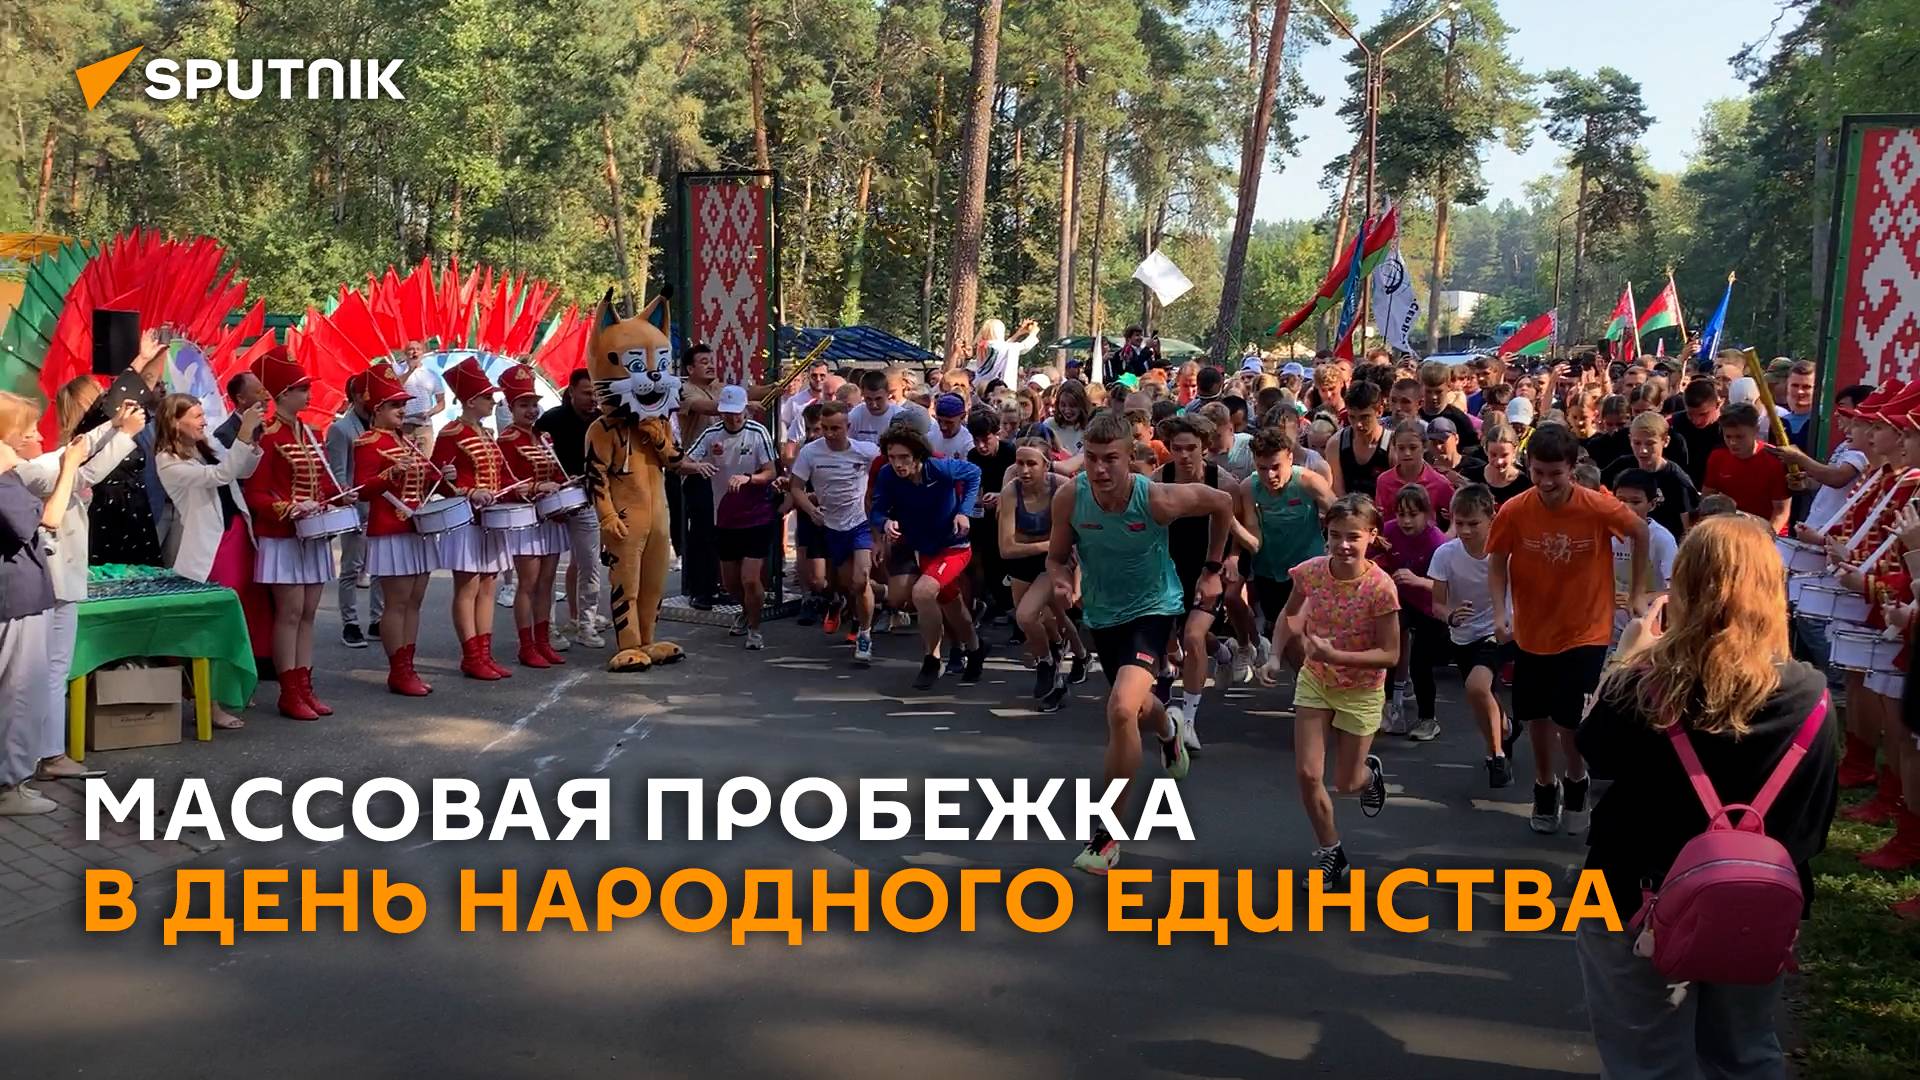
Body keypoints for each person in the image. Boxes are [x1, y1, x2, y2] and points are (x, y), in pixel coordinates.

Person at [1576, 515, 1836, 1079]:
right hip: (1757, 899)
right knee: (1744, 1052)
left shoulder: (1647, 683)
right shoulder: (1812, 694)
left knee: (1645, 1057)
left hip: (1631, 892)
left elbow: (1596, 752)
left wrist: (1624, 658)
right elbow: (1813, 824)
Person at [1047, 412, 1234, 874]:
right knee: (1137, 706)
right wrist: (1062, 581)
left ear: (1131, 457)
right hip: (1102, 613)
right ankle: (1169, 729)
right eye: (1091, 458)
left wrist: (1213, 570)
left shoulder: (1156, 498)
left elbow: (1223, 502)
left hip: (1153, 608)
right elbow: (1055, 558)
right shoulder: (1071, 497)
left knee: (1119, 709)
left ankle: (1107, 836)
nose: (1100, 469)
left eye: (1110, 459)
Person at [1489, 423, 1650, 836]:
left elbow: (1639, 530)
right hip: (1532, 630)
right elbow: (1497, 559)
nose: (1546, 482)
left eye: (1555, 474)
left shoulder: (1596, 506)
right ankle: (1545, 784)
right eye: (1538, 472)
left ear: (1572, 469)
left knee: (1569, 719)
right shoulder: (1515, 510)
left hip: (1585, 630)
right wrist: (1500, 612)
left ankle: (1576, 778)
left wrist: (1636, 593)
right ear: (1528, 466)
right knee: (1536, 717)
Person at [11, 388, 141, 781]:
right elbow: (79, 468)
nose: (39, 435)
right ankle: (45, 755)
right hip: (48, 583)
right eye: (30, 431)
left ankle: (42, 754)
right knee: (46, 672)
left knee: (50, 671)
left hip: (57, 581)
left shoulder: (32, 468)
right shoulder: (25, 473)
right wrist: (122, 434)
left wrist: (114, 425)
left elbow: (75, 456)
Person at [1268, 494, 1396, 887]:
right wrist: (1274, 655)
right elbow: (1290, 614)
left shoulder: (1381, 588)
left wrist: (1335, 654)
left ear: (1371, 535)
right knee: (1308, 774)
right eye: (1335, 535)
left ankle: (1368, 777)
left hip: (1362, 689)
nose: (1343, 545)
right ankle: (1331, 852)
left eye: (1353, 537)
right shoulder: (1311, 572)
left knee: (1346, 784)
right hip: (1317, 680)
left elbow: (1391, 654)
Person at [241, 348, 347, 719]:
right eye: (302, 389)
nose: (308, 394)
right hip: (282, 537)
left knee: (308, 613)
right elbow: (255, 493)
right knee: (289, 613)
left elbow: (324, 484)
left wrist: (340, 498)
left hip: (313, 535)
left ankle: (305, 686)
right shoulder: (267, 436)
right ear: (283, 394)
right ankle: (288, 692)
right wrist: (289, 508)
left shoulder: (313, 434)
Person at [153, 391, 265, 729]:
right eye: (197, 416)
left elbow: (243, 469)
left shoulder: (207, 444)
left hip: (236, 536)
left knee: (240, 620)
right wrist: (243, 433)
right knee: (214, 626)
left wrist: (251, 441)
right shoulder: (167, 460)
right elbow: (219, 476)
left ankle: (231, 688)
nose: (204, 421)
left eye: (203, 414)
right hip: (211, 549)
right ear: (175, 422)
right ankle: (211, 703)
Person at [1160, 417, 1268, 748]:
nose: (1183, 455)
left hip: (1209, 566)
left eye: (1191, 448)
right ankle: (1223, 652)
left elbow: (1243, 534)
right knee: (1174, 638)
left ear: (1204, 448)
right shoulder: (1158, 480)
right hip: (1169, 568)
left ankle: (1188, 721)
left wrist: (1231, 559)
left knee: (1192, 636)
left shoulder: (1223, 483)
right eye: (1177, 448)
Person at [0, 401, 84, 816]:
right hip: (16, 598)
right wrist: (70, 466)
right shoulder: (3, 484)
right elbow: (48, 518)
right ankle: (9, 785)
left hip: (21, 596)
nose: (36, 436)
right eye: (28, 430)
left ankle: (13, 780)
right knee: (19, 692)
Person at [870, 427, 985, 690]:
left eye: (904, 457)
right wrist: (885, 522)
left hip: (954, 546)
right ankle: (976, 648)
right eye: (892, 457)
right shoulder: (887, 475)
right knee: (952, 605)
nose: (898, 464)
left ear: (918, 456)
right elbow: (876, 510)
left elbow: (974, 473)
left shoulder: (938, 468)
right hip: (925, 549)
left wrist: (964, 511)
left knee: (922, 592)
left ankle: (932, 659)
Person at [354, 366, 439, 696]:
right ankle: (398, 671)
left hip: (417, 528)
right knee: (397, 603)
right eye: (394, 405)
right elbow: (361, 489)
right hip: (391, 530)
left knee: (415, 601)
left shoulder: (407, 441)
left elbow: (426, 480)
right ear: (377, 409)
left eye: (403, 404)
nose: (402, 409)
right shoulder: (368, 442)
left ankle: (409, 667)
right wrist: (389, 473)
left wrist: (441, 475)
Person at [1429, 484, 1518, 787]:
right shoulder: (1445, 554)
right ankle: (1505, 730)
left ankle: (1496, 756)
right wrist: (1450, 615)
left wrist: (1511, 622)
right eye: (1460, 523)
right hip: (1463, 635)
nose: (1465, 531)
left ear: (1491, 519)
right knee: (1482, 696)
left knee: (1476, 686)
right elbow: (1438, 604)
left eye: (1473, 523)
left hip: (1499, 630)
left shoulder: (1506, 553)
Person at [432, 358, 513, 680]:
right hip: (466, 519)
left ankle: (484, 653)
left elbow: (500, 474)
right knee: (468, 588)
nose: (493, 402)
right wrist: (468, 491)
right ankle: (471, 655)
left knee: (489, 586)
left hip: (491, 518)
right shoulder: (451, 433)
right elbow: (437, 480)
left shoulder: (487, 433)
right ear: (470, 401)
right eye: (487, 397)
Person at [682, 385, 779, 650]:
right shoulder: (711, 434)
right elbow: (683, 463)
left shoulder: (758, 433)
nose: (733, 418)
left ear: (745, 409)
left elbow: (770, 472)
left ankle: (755, 630)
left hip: (756, 514)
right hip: (724, 516)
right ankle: (747, 611)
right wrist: (697, 467)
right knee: (731, 583)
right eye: (728, 413)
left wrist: (749, 479)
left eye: (737, 413)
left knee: (750, 578)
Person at [790, 401, 883, 664]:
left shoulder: (866, 451)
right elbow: (795, 487)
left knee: (860, 580)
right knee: (841, 584)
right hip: (830, 525)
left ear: (848, 427)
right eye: (825, 428)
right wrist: (811, 510)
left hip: (860, 524)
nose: (830, 434)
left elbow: (887, 472)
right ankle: (868, 599)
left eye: (836, 429)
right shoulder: (810, 452)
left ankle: (865, 634)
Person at [999, 437, 1088, 709]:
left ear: (1047, 465)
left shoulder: (1062, 487)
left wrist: (1076, 579)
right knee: (1050, 618)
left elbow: (1077, 537)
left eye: (1031, 464)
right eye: (1019, 463)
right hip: (1024, 562)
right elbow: (1006, 548)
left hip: (1054, 563)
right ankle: (1080, 655)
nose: (1024, 470)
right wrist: (1048, 543)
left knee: (1028, 616)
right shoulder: (1011, 491)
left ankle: (1048, 665)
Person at [497, 365, 570, 669]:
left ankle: (543, 642)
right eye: (523, 405)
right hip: (525, 519)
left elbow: (556, 472)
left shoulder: (543, 437)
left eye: (533, 404)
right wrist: (538, 488)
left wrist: (566, 485)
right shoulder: (507, 440)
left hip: (550, 517)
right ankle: (526, 646)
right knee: (527, 583)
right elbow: (503, 484)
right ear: (511, 408)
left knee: (547, 582)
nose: (531, 410)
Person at [535, 368, 605, 648]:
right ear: (572, 391)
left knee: (590, 564)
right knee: (547, 570)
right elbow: (533, 457)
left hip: (587, 500)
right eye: (587, 393)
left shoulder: (602, 421)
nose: (593, 399)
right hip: (552, 503)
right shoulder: (551, 419)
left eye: (596, 393)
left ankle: (585, 623)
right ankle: (549, 627)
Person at [1378, 483, 1449, 740]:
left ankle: (1428, 718)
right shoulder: (1388, 531)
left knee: (1422, 663)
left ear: (1427, 514)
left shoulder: (1436, 541)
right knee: (1388, 651)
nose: (1406, 521)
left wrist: (1417, 580)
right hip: (1401, 601)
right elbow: (1372, 555)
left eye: (1413, 514)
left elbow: (1447, 587)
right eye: (1401, 514)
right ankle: (1390, 707)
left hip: (1430, 606)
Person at [326, 373, 385, 647]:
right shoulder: (341, 429)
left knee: (381, 567)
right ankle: (350, 623)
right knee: (351, 569)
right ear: (359, 396)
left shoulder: (382, 424)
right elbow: (338, 472)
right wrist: (346, 496)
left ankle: (377, 620)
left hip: (382, 507)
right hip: (356, 507)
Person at [675, 344, 723, 608]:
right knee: (701, 533)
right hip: (696, 470)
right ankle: (698, 590)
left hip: (722, 472)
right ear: (690, 368)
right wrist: (737, 404)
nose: (710, 365)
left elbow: (748, 392)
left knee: (720, 532)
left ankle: (717, 585)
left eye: (711, 360)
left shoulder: (718, 387)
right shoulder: (684, 391)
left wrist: (775, 387)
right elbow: (707, 407)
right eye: (703, 362)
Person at [1608, 469, 1678, 644]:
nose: (1627, 507)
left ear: (1651, 504)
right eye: (1620, 500)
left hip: (1646, 630)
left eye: (1636, 502)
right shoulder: (1605, 533)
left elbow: (1678, 588)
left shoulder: (1662, 539)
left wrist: (1642, 597)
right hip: (1607, 629)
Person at [1601, 411, 1697, 538]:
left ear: (1665, 441)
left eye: (1650, 443)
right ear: (1630, 440)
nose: (1643, 450)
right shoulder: (1622, 466)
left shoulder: (1677, 480)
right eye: (1637, 443)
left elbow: (1689, 528)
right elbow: (1595, 485)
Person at [1703, 402, 1790, 532]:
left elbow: (1781, 512)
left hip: (1767, 530)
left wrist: (1767, 537)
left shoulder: (1775, 460)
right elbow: (1707, 499)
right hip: (1730, 529)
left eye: (1740, 437)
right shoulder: (1717, 457)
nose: (1733, 442)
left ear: (1756, 430)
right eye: (1728, 436)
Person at [1375, 420, 1455, 530]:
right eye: (1401, 448)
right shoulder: (1384, 481)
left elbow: (1456, 518)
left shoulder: (1440, 483)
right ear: (1394, 447)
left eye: (1413, 448)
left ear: (1424, 447)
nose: (1407, 453)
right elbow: (1380, 519)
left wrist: (1445, 537)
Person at [1327, 380, 1392, 499]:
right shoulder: (1335, 444)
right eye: (1352, 417)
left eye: (1364, 417)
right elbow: (1338, 492)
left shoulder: (1393, 445)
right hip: (1348, 508)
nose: (1358, 424)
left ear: (1379, 411)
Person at [1668, 377, 1725, 488]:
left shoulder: (1729, 429)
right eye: (1690, 414)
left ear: (1718, 404)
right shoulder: (1673, 424)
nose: (1696, 421)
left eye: (1703, 414)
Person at [1417, 360, 1480, 451]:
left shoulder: (1458, 418)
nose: (1434, 397)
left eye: (1439, 392)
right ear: (1421, 387)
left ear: (1449, 386)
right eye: (1428, 391)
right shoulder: (1416, 416)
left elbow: (1473, 449)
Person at [394, 340, 445, 452]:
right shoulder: (397, 369)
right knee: (404, 459)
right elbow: (395, 387)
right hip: (403, 426)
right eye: (411, 349)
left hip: (424, 426)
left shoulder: (431, 375)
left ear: (423, 353)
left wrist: (430, 413)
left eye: (418, 349)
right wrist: (410, 370)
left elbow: (441, 402)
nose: (415, 352)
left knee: (425, 460)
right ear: (405, 353)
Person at [972, 317, 1040, 389]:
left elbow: (1004, 349)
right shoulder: (1001, 347)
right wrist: (1033, 334)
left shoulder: (984, 345)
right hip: (997, 388)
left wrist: (1019, 333)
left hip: (980, 384)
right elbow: (1023, 347)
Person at [211, 371, 268, 448]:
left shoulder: (262, 425)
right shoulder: (223, 434)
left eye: (266, 390)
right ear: (241, 398)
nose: (268, 396)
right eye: (260, 392)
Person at [1480, 422, 1531, 506]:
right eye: (1493, 455)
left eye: (1504, 455)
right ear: (1486, 450)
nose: (1499, 461)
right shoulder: (1473, 476)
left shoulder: (1524, 485)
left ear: (1514, 451)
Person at [928, 393, 975, 458]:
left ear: (962, 417)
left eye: (949, 422)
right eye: (939, 421)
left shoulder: (968, 444)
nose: (943, 427)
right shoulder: (932, 429)